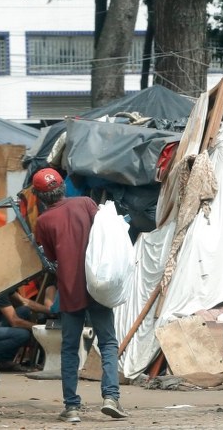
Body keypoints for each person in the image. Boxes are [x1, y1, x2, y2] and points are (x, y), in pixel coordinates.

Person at [30, 167, 128, 423]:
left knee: (70, 349)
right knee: (107, 343)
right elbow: (105, 234)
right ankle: (110, 397)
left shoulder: (43, 222)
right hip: (98, 286)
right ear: (62, 186)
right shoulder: (85, 203)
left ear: (40, 196)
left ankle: (72, 408)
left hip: (70, 290)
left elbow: (50, 259)